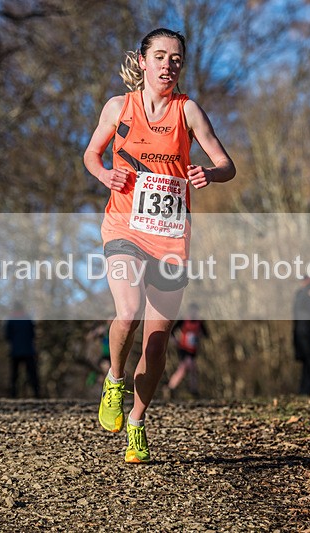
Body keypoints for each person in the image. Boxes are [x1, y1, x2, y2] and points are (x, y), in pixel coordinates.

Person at [83, 28, 235, 463]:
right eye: (161, 56)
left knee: (156, 341)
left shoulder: (188, 112)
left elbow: (227, 164)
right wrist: (102, 175)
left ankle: (137, 422)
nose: (169, 64)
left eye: (176, 59)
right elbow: (92, 155)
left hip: (170, 235)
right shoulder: (119, 107)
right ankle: (115, 380)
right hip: (123, 227)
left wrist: (210, 172)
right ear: (143, 60)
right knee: (127, 311)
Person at [166, 303, 209, 398]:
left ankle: (173, 387)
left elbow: (206, 334)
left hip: (193, 349)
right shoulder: (183, 319)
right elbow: (172, 331)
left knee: (186, 369)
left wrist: (199, 337)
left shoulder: (200, 322)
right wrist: (175, 341)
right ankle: (190, 389)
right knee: (188, 366)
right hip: (183, 348)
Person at [4, 301, 40, 398]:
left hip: (15, 350)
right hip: (28, 350)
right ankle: (36, 394)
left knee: (15, 375)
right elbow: (33, 334)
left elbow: (7, 336)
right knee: (32, 374)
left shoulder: (11, 319)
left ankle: (13, 394)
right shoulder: (27, 318)